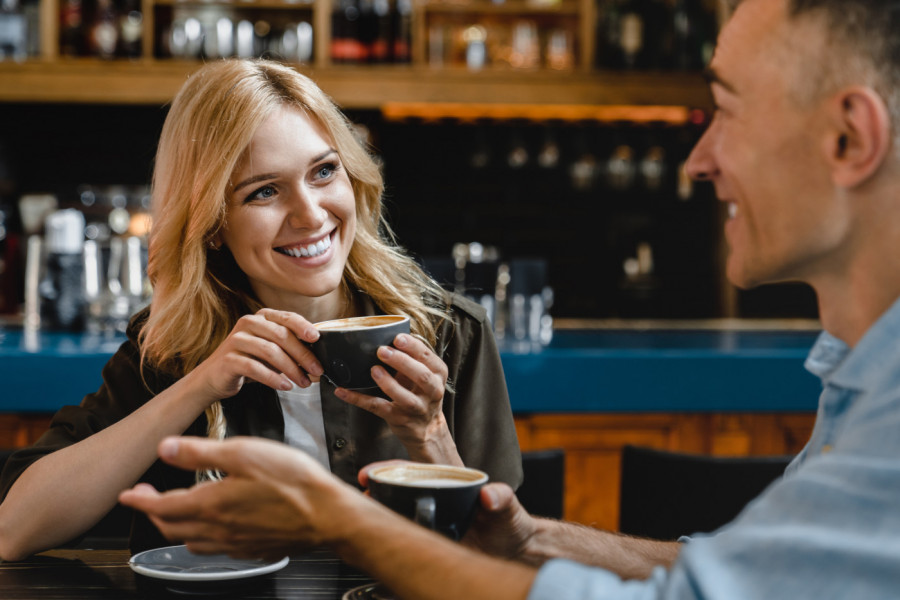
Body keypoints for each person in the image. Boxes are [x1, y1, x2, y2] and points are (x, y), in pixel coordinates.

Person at [119, 0, 900, 597]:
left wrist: (336, 519)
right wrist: (527, 536)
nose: (696, 161)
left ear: (848, 140)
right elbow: (714, 578)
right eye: (263, 191)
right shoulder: (859, 378)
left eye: (726, 111)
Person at [0, 59, 522, 562]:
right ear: (211, 223)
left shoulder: (453, 333)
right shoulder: (168, 347)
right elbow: (14, 531)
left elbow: (502, 558)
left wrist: (428, 433)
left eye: (323, 171)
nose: (311, 214)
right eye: (264, 191)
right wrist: (199, 386)